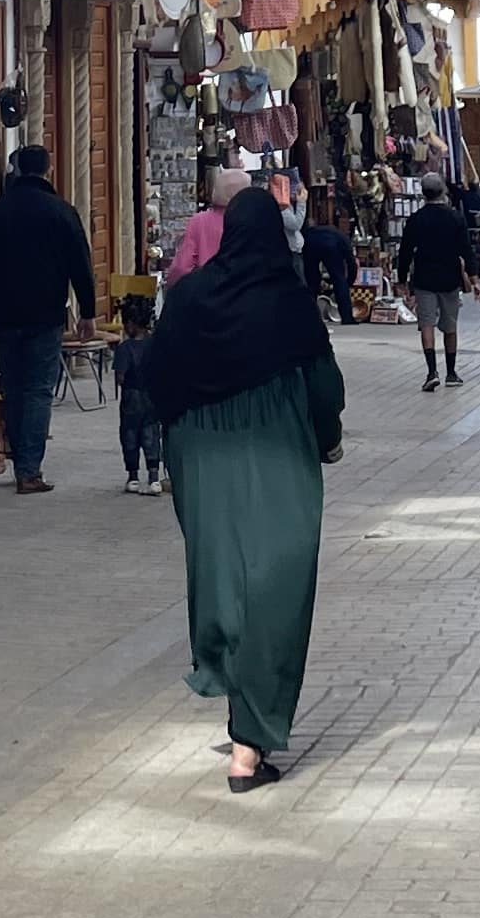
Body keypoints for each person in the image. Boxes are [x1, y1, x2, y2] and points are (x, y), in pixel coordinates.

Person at [137, 185, 344, 790]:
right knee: (276, 593)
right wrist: (327, 437)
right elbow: (324, 385)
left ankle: (238, 713)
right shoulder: (289, 302)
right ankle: (248, 745)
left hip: (202, 461)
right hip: (278, 458)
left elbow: (154, 377)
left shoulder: (190, 298)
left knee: (223, 583)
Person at [0, 141, 94, 495]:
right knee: (37, 389)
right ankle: (28, 469)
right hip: (46, 313)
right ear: (48, 170)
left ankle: (22, 460)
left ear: (16, 171)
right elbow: (81, 265)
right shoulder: (62, 212)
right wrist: (88, 313)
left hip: (4, 314)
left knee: (15, 386)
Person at [397, 176, 475, 389]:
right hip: (450, 278)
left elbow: (405, 252)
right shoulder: (455, 217)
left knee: (427, 324)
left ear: (423, 194)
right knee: (450, 326)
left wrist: (402, 279)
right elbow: (466, 249)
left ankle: (432, 372)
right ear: (443, 192)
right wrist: (474, 278)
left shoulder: (416, 219)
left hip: (424, 278)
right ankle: (451, 373)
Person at [112, 292, 165, 495]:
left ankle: (133, 476)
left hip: (131, 397)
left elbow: (120, 377)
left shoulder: (125, 349)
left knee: (130, 436)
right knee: (152, 434)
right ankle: (154, 477)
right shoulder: (155, 344)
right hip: (152, 395)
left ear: (131, 324)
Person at [299, 192, 356, 325]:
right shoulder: (342, 238)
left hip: (311, 243)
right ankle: (347, 317)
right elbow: (351, 263)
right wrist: (348, 282)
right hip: (332, 246)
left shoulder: (311, 232)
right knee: (339, 280)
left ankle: (311, 316)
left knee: (312, 280)